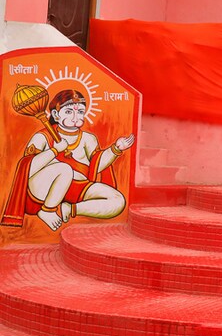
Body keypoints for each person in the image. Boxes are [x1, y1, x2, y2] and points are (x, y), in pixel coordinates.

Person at [2, 89, 134, 231]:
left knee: (118, 201)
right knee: (64, 169)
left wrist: (116, 149)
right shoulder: (43, 137)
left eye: (80, 112)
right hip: (43, 189)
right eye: (69, 111)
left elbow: (96, 166)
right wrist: (54, 151)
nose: (75, 116)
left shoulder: (88, 139)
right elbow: (27, 169)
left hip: (76, 187)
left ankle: (68, 208)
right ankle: (47, 210)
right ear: (56, 115)